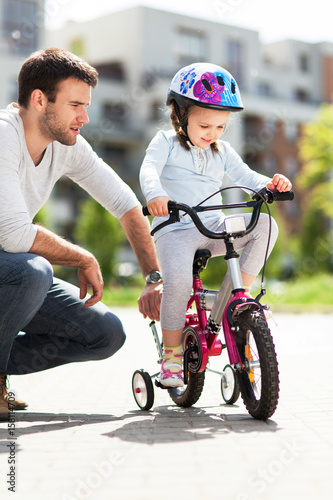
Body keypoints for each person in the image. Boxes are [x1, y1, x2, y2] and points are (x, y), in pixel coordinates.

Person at [0, 48, 162, 417]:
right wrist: (82, 257)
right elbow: (12, 234)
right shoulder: (3, 136)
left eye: (86, 106)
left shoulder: (66, 146)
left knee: (105, 334)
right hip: (14, 269)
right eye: (76, 105)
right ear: (40, 100)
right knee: (33, 270)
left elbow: (127, 206)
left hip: (10, 272)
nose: (85, 118)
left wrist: (155, 278)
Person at [140, 62, 292, 388]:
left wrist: (272, 184)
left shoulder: (222, 151)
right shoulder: (164, 143)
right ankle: (171, 355)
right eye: (205, 125)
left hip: (215, 224)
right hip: (176, 227)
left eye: (221, 127)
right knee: (178, 285)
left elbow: (248, 178)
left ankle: (234, 299)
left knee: (265, 226)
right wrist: (155, 195)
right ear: (180, 116)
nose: (212, 134)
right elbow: (149, 171)